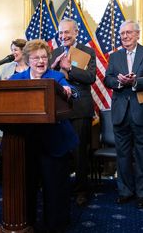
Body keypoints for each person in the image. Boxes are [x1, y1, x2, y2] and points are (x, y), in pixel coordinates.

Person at [9, 39, 79, 231]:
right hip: (25, 143)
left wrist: (68, 91)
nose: (40, 61)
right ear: (28, 60)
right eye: (35, 58)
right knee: (27, 187)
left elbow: (73, 92)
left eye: (43, 57)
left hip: (55, 142)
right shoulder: (16, 79)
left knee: (55, 188)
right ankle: (27, 222)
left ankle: (56, 225)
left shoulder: (55, 77)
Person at [104, 20, 143, 208]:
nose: (125, 37)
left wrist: (135, 81)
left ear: (137, 34)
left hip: (142, 111)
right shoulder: (115, 56)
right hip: (120, 113)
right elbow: (107, 79)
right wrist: (119, 82)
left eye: (128, 33)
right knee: (123, 155)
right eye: (122, 34)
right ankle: (125, 191)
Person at [50, 17, 96, 206]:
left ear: (76, 32)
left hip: (80, 108)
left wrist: (70, 68)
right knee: (60, 152)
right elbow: (46, 76)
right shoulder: (54, 53)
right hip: (58, 110)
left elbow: (90, 77)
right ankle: (61, 188)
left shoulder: (87, 52)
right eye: (60, 33)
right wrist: (53, 68)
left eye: (67, 32)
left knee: (79, 153)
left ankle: (81, 191)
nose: (63, 36)